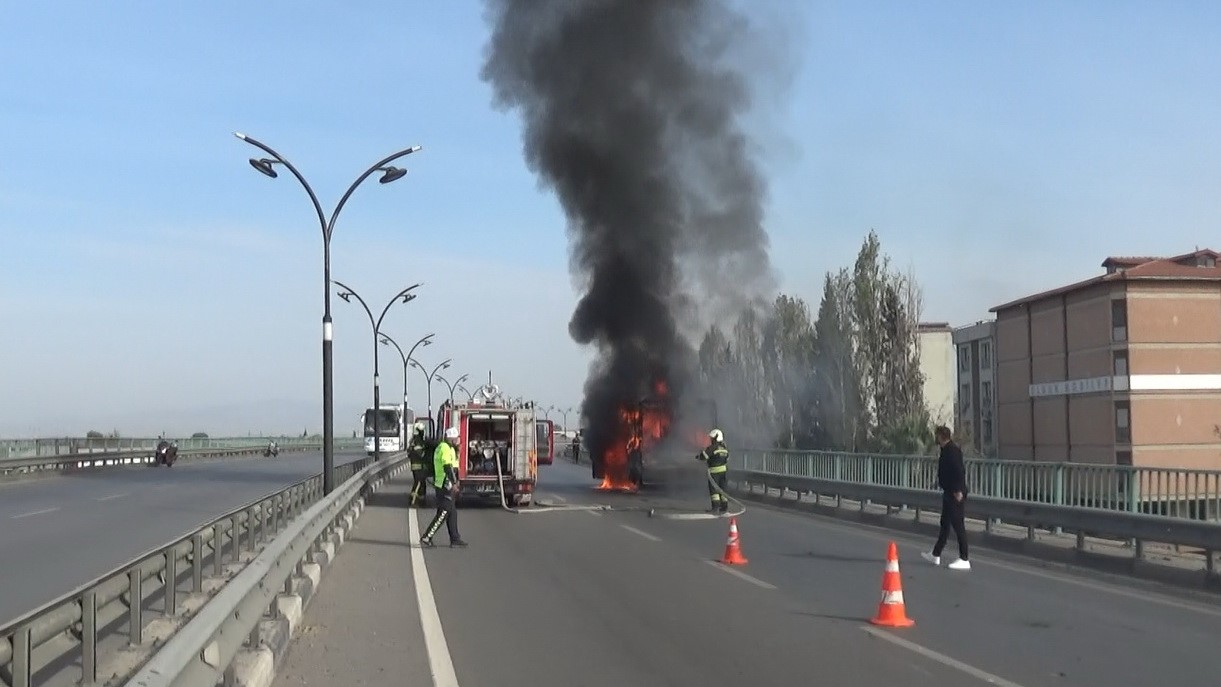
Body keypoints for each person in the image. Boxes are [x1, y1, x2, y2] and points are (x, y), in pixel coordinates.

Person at [922, 425, 970, 570]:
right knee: (945, 524)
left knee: (958, 525)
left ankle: (964, 558)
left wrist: (958, 490)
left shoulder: (952, 451)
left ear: (941, 436)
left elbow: (959, 471)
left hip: (955, 493)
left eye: (937, 435)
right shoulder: (946, 450)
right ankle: (936, 554)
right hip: (949, 492)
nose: (935, 438)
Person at [421, 425, 468, 548]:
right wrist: (454, 483)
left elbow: (453, 465)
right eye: (457, 438)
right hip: (444, 485)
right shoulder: (445, 448)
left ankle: (455, 538)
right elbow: (448, 467)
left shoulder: (448, 448)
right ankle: (427, 536)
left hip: (445, 484)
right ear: (451, 438)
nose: (458, 440)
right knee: (443, 513)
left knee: (452, 513)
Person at [696, 428, 730, 515]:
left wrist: (698, 456)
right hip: (724, 472)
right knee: (722, 489)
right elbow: (727, 458)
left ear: (716, 438)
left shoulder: (712, 448)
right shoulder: (724, 448)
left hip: (714, 472)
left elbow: (703, 457)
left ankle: (715, 507)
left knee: (714, 490)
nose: (711, 440)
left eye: (712, 438)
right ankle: (724, 507)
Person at [406, 422, 430, 508]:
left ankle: (421, 500)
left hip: (417, 465)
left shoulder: (414, 440)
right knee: (418, 483)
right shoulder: (418, 441)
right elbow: (420, 454)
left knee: (421, 483)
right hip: (418, 465)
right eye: (422, 431)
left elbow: (409, 453)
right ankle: (413, 501)